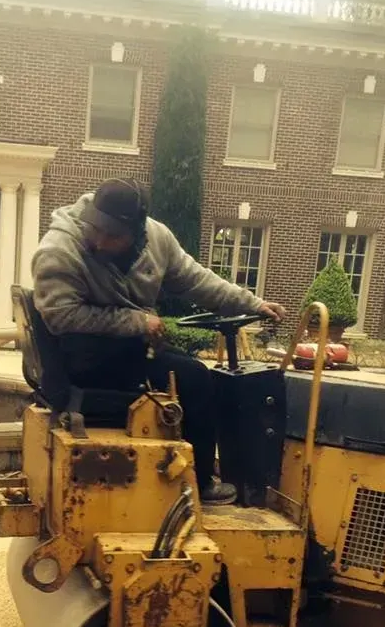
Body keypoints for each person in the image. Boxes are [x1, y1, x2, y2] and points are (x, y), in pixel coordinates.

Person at [31, 178, 286, 505]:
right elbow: (60, 316)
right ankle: (203, 482)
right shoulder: (60, 249)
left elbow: (196, 280)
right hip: (83, 358)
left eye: (113, 235)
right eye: (96, 229)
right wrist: (138, 321)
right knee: (196, 378)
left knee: (183, 368)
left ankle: (188, 465)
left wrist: (252, 304)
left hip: (122, 351)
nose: (99, 241)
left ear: (137, 233)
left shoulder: (157, 239)